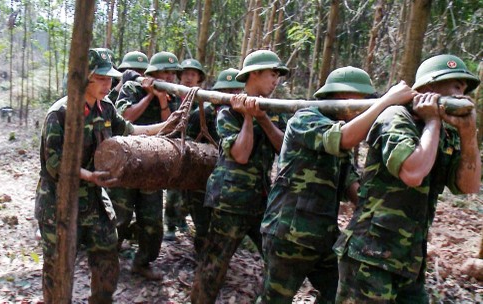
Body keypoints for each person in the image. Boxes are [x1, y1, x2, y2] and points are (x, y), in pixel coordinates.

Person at [257, 66, 416, 304]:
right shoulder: (307, 118)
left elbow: (353, 187)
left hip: (324, 237)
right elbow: (342, 138)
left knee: (338, 295)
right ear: (343, 97)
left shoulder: (343, 134)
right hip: (289, 234)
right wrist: (386, 101)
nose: (367, 106)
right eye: (363, 101)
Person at [333, 54, 481, 303]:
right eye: (456, 85)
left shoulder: (447, 132)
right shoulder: (396, 117)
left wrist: (468, 136)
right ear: (429, 89)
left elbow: (468, 186)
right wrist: (433, 120)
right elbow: (412, 172)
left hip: (410, 261)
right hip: (370, 256)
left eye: (464, 88)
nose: (462, 94)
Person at [35, 48, 165, 303]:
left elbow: (130, 130)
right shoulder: (61, 113)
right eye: (102, 79)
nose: (109, 84)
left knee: (107, 258)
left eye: (110, 79)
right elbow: (54, 163)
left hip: (94, 201)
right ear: (85, 78)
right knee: (58, 268)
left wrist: (165, 127)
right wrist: (89, 175)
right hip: (59, 202)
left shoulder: (106, 108)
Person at [191, 50, 289, 304]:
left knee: (276, 260)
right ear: (254, 74)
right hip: (230, 199)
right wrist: (247, 115)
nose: (276, 79)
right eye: (272, 73)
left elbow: (283, 150)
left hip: (262, 198)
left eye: (278, 74)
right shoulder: (227, 111)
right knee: (214, 265)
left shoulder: (275, 111)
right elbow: (241, 154)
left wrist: (262, 117)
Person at [107, 51, 183, 280]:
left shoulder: (174, 97)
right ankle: (108, 258)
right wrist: (149, 96)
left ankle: (143, 262)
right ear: (153, 73)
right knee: (119, 215)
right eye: (165, 72)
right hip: (126, 163)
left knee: (151, 220)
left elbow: (171, 128)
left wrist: (161, 100)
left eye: (173, 73)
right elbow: (125, 118)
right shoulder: (132, 88)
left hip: (153, 165)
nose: (170, 77)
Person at [182, 68, 246, 256]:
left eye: (234, 91)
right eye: (225, 91)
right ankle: (202, 258)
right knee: (202, 222)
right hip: (200, 180)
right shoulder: (201, 114)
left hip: (228, 183)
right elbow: (186, 145)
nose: (230, 95)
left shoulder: (243, 115)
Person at [164, 58, 207, 242]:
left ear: (199, 78)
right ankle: (170, 225)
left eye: (193, 74)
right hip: (174, 147)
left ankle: (182, 219)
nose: (189, 78)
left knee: (192, 189)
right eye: (186, 74)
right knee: (174, 188)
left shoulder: (202, 100)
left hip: (195, 149)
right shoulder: (170, 96)